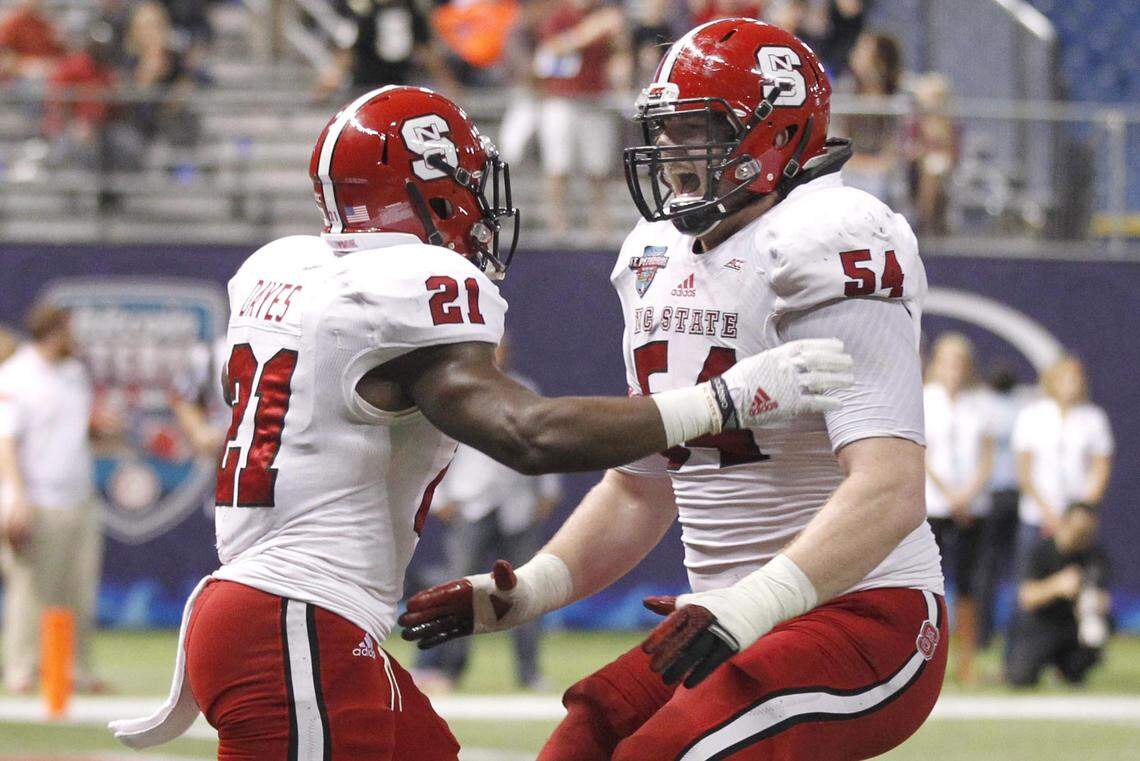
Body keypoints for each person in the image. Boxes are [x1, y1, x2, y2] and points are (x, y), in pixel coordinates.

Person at [108, 84, 854, 759]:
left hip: (278, 614)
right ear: (429, 189)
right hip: (291, 618)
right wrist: (724, 400)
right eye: (468, 183)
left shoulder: (284, 270)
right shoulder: (407, 285)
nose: (481, 204)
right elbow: (526, 434)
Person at [402, 20, 946, 760]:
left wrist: (753, 604)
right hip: (726, 621)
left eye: (698, 130)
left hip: (864, 612)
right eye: (666, 131)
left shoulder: (833, 235)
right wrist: (525, 591)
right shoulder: (652, 253)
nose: (671, 154)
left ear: (777, 134)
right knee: (581, 738)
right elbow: (641, 489)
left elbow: (890, 488)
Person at [414, 338, 562, 692]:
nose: (497, 354)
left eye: (502, 347)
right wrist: (439, 497)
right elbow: (434, 445)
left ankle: (529, 672)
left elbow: (543, 438)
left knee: (529, 588)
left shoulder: (525, 389)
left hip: (517, 505)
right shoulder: (454, 387)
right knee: (459, 590)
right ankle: (448, 671)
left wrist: (548, 489)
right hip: (471, 502)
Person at [0, 305, 107, 694]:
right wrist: (16, 497)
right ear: (53, 333)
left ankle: (74, 670)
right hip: (39, 498)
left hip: (80, 495)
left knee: (78, 588)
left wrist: (103, 432)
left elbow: (73, 433)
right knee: (32, 589)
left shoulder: (74, 373)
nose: (75, 338)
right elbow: (5, 443)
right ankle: (22, 670)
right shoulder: (16, 376)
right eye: (70, 330)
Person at [922, 332, 993, 684]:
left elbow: (987, 457)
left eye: (960, 361)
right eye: (948, 360)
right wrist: (948, 493)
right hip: (933, 504)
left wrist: (966, 495)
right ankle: (925, 662)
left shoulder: (979, 405)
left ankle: (966, 662)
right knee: (927, 586)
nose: (954, 368)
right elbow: (919, 451)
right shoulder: (923, 400)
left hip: (970, 507)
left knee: (967, 586)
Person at [533, 0, 630, 232]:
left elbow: (619, 53)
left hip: (595, 98)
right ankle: (556, 225)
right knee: (557, 166)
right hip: (561, 98)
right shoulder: (559, 14)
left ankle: (600, 224)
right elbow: (552, 48)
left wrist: (616, 36)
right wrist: (592, 30)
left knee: (598, 168)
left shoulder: (605, 14)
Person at [1012, 356, 1114, 575]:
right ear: (1053, 380)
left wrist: (1080, 513)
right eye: (1066, 377)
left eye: (1077, 378)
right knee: (1028, 581)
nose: (1072, 383)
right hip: (1036, 517)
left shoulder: (1094, 418)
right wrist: (1049, 514)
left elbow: (1100, 469)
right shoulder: (1032, 415)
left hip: (1078, 525)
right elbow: (1024, 471)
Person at [1005, 502, 1111, 688]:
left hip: (1073, 627)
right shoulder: (1041, 551)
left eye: (1088, 532)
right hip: (1041, 626)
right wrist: (1057, 586)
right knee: (1020, 678)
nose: (1083, 538)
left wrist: (1090, 601)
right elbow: (1026, 597)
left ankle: (1070, 669)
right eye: (1079, 531)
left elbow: (1104, 598)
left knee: (1098, 628)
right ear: (1065, 524)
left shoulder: (1094, 557)